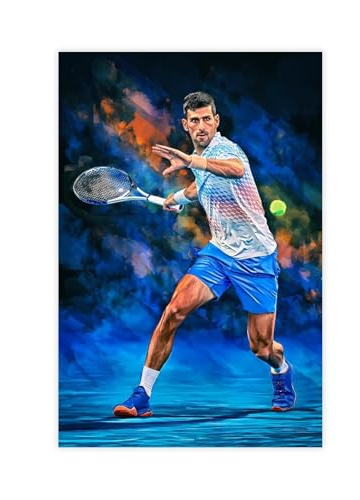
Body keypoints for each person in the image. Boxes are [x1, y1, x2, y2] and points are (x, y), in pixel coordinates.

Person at [113, 92, 296, 417]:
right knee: (173, 311)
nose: (201, 126)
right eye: (194, 120)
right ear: (185, 124)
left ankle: (280, 369)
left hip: (256, 259)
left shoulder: (227, 151)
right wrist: (178, 199)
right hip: (219, 254)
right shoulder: (200, 158)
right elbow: (202, 185)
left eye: (207, 119)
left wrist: (191, 161)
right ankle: (142, 395)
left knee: (261, 348)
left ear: (216, 121)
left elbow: (233, 170)